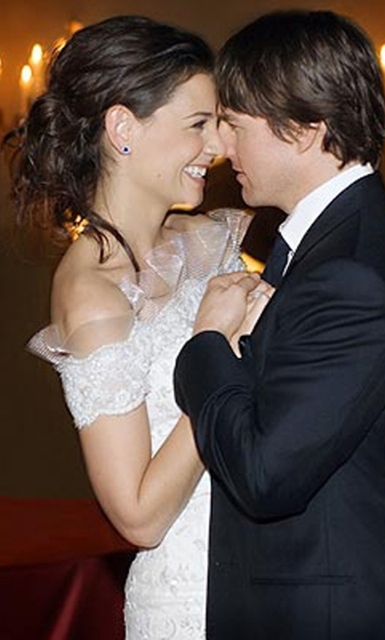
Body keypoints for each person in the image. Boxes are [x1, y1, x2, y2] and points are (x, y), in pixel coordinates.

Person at [174, 10, 385, 640]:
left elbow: (265, 476)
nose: (222, 148)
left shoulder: (352, 271)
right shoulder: (326, 242)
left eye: (235, 125)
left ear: (303, 130)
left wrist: (207, 342)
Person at [8, 15, 268, 639]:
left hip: (272, 571)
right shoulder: (94, 295)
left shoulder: (210, 240)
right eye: (198, 124)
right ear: (123, 128)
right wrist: (217, 353)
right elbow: (139, 517)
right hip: (190, 601)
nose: (219, 146)